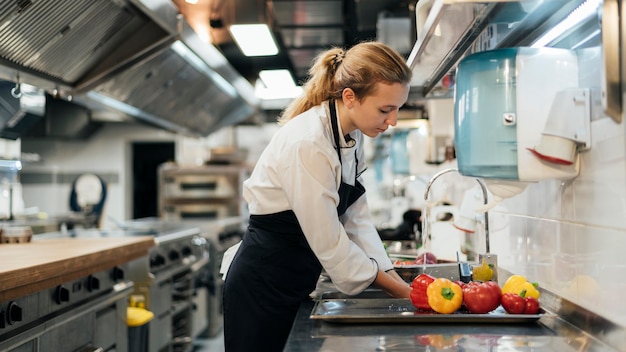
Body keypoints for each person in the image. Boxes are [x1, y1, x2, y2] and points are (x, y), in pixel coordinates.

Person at [222, 41, 413, 352]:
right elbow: (328, 239)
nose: (392, 121)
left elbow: (356, 217)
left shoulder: (350, 136)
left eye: (397, 108)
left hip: (295, 278)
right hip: (263, 284)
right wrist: (403, 292)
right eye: (385, 109)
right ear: (350, 97)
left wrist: (389, 272)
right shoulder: (308, 142)